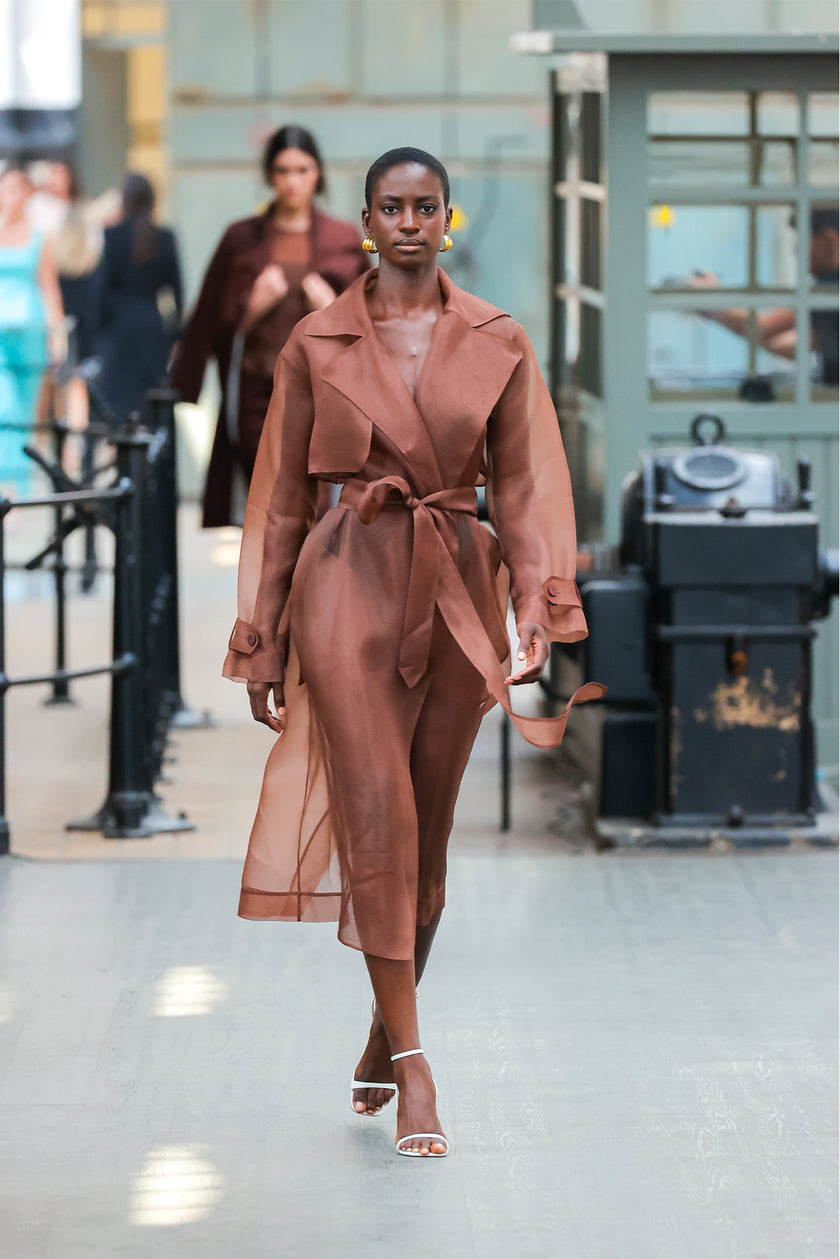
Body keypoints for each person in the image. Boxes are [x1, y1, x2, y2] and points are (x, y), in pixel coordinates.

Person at [222, 147, 603, 1159]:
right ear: (366, 215)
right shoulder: (317, 339)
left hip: (455, 585)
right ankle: (422, 1067)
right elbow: (280, 503)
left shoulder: (496, 337)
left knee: (428, 837)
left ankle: (386, 1027)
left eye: (424, 206)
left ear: (449, 216)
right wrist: (262, 640)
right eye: (390, 206)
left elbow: (526, 482)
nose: (407, 221)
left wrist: (539, 599)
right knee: (378, 811)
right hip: (346, 579)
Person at [170, 124, 369, 527]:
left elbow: (369, 325)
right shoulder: (241, 238)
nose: (292, 181)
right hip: (256, 392)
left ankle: (307, 585)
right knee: (262, 505)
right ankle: (267, 588)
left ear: (318, 174)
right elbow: (210, 315)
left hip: (319, 393)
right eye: (283, 171)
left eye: (302, 169)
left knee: (315, 503)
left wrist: (331, 309)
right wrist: (250, 308)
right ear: (269, 176)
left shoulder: (343, 239)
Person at [689, 207, 839, 386]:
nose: (797, 250)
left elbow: (762, 328)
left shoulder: (829, 289)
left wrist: (708, 300)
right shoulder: (827, 298)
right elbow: (793, 346)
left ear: (829, 241)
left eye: (804, 239)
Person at [91, 172, 182, 422]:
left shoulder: (113, 236)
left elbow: (102, 289)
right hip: (152, 328)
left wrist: (99, 330)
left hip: (120, 328)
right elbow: (177, 291)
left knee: (121, 405)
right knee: (151, 407)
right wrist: (175, 334)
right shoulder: (164, 238)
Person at [0, 163, 63, 496]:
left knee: (25, 409)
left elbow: (49, 286)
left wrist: (57, 332)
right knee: (5, 405)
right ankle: (5, 482)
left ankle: (16, 486)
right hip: (0, 334)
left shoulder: (39, 235)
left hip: (29, 330)